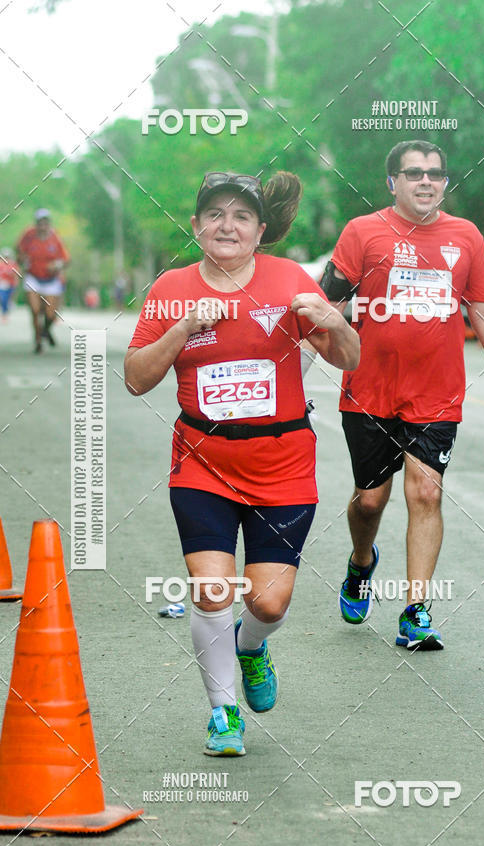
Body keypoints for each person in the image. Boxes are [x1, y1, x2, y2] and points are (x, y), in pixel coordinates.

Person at [125, 171, 359, 756]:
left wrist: (334, 322)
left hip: (283, 465)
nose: (227, 226)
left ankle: (250, 646)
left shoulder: (289, 281)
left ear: (260, 230)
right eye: (215, 214)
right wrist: (183, 326)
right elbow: (135, 379)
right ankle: (223, 713)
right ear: (197, 224)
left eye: (242, 217)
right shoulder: (171, 288)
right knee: (211, 590)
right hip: (202, 463)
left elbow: (349, 357)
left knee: (268, 603)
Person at [320, 140, 484, 649]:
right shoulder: (362, 232)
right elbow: (325, 304)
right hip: (369, 392)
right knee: (369, 502)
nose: (426, 182)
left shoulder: (466, 236)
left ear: (445, 182)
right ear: (391, 181)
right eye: (413, 173)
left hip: (435, 394)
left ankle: (416, 611)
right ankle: (361, 563)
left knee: (426, 492)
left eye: (435, 174)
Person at [16, 208, 69, 353]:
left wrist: (56, 265)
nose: (43, 226)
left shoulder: (55, 237)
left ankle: (46, 330)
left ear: (49, 224)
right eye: (40, 223)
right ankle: (38, 340)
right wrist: (22, 259)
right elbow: (19, 250)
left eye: (45, 223)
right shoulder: (28, 235)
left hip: (51, 280)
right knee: (35, 309)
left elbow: (65, 259)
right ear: (36, 224)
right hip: (33, 277)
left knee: (50, 314)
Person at [0, 248, 19, 323]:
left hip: (11, 285)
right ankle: (4, 315)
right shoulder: (0, 264)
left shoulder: (13, 265)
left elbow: (16, 275)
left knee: (8, 300)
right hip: (2, 284)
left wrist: (15, 285)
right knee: (3, 299)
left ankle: (6, 313)